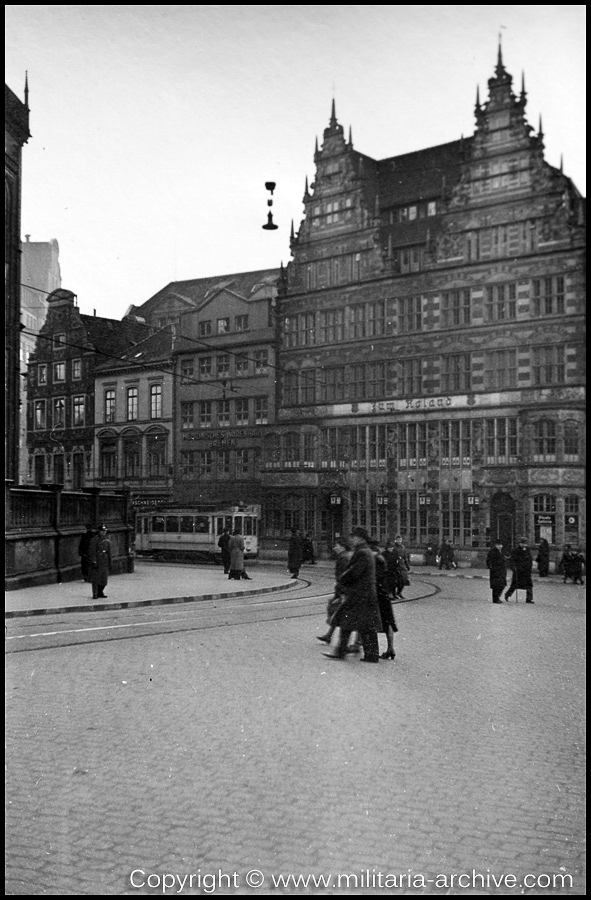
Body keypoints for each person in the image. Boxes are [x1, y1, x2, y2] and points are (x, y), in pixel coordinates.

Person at [322, 526, 382, 663]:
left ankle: (341, 652)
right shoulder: (366, 551)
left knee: (346, 622)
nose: (352, 539)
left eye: (354, 537)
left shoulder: (361, 552)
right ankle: (371, 655)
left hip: (359, 594)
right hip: (366, 594)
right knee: (367, 626)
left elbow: (354, 572)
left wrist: (343, 578)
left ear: (360, 539)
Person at [317, 536, 354, 647]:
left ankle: (355, 641)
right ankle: (329, 635)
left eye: (337, 545)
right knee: (338, 613)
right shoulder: (345, 556)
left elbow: (342, 576)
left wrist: (340, 592)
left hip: (343, 589)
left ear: (342, 547)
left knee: (339, 612)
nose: (334, 548)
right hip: (343, 589)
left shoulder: (343, 558)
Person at [369, 538, 398, 659]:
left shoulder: (374, 559)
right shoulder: (381, 557)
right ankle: (390, 648)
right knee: (388, 622)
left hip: (378, 594)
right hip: (384, 592)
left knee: (371, 620)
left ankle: (365, 647)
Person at [504, 537, 534, 603]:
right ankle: (507, 594)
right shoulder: (515, 551)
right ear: (520, 544)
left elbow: (529, 559)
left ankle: (529, 599)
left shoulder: (527, 550)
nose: (524, 545)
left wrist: (530, 566)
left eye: (525, 543)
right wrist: (514, 568)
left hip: (526, 571)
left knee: (529, 585)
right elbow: (512, 561)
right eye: (522, 543)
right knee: (514, 584)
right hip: (518, 571)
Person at [88, 524, 112, 599]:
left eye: (105, 531)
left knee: (104, 579)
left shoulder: (107, 540)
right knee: (96, 579)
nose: (104, 532)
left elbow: (109, 552)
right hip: (98, 560)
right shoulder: (94, 540)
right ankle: (95, 593)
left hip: (104, 561)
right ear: (99, 531)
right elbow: (92, 551)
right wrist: (94, 561)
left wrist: (110, 562)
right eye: (102, 531)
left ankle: (100, 591)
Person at [486, 539, 507, 603]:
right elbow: (488, 561)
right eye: (498, 545)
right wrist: (491, 567)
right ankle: (495, 599)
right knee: (496, 586)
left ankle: (497, 597)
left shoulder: (501, 552)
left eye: (501, 545)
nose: (500, 546)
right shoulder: (492, 552)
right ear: (495, 545)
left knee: (502, 585)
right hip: (495, 571)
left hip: (502, 571)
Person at [390, 534, 411, 598]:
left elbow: (405, 557)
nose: (399, 541)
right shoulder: (393, 547)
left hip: (402, 565)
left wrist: (407, 565)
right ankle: (394, 594)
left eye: (400, 540)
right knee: (395, 581)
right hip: (395, 565)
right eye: (398, 540)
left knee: (404, 579)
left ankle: (399, 592)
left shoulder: (403, 547)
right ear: (395, 540)